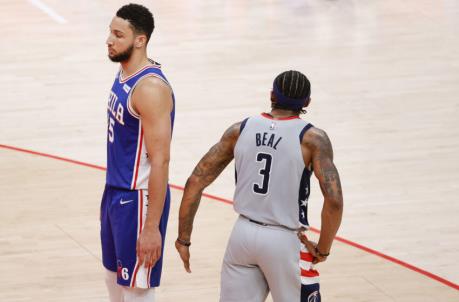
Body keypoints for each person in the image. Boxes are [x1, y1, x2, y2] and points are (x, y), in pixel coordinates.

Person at [175, 70, 343, 302]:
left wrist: (183, 238)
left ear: (272, 95)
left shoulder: (239, 129)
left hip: (242, 235)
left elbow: (195, 181)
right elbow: (334, 202)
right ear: (307, 102)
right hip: (283, 241)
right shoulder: (312, 139)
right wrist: (323, 249)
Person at [100, 3, 175, 302]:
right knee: (112, 278)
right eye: (110, 31)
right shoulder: (125, 73)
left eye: (118, 34)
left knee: (136, 290)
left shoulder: (150, 88)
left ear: (139, 40)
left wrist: (151, 227)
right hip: (115, 191)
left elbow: (160, 160)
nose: (109, 39)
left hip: (138, 198)